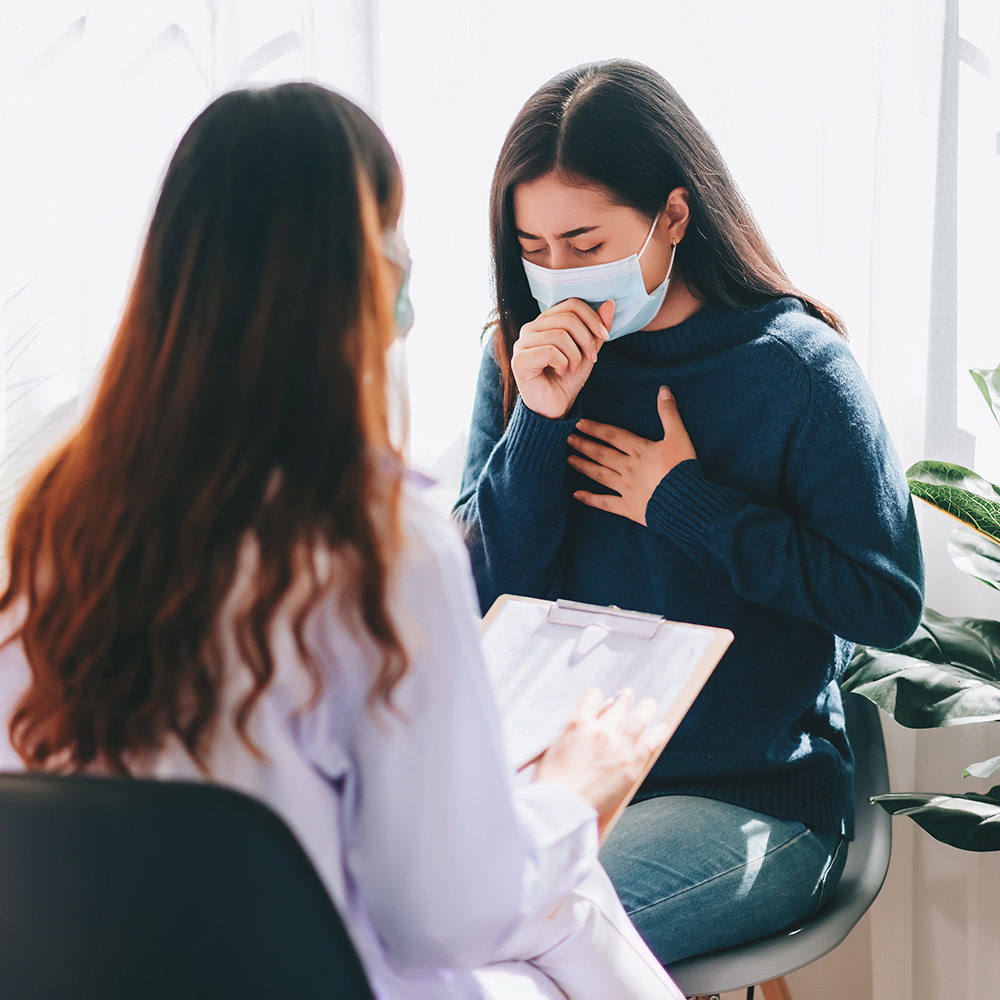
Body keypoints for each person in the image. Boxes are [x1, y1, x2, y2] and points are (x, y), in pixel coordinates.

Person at [0, 83, 685, 999]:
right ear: (357, 270)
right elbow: (446, 912)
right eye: (392, 227)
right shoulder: (377, 544)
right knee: (570, 905)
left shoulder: (52, 516)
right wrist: (575, 794)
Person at [454, 58, 925, 966]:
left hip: (748, 801)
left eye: (586, 245)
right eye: (533, 248)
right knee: (382, 925)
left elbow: (885, 601)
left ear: (673, 215)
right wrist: (540, 425)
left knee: (498, 947)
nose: (558, 276)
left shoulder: (795, 370)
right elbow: (484, 598)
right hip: (551, 790)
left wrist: (686, 505)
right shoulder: (521, 359)